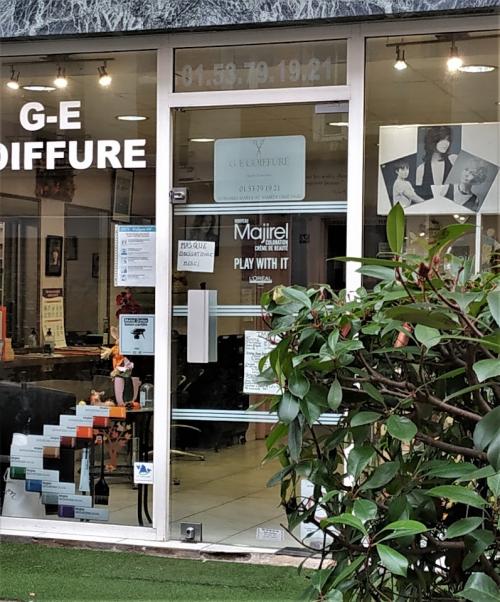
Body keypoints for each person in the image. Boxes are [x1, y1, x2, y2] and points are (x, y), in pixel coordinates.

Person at [416, 126, 458, 199]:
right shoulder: (421, 169)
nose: (446, 143)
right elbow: (419, 197)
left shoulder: (453, 160)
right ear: (432, 141)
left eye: (448, 140)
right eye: (442, 139)